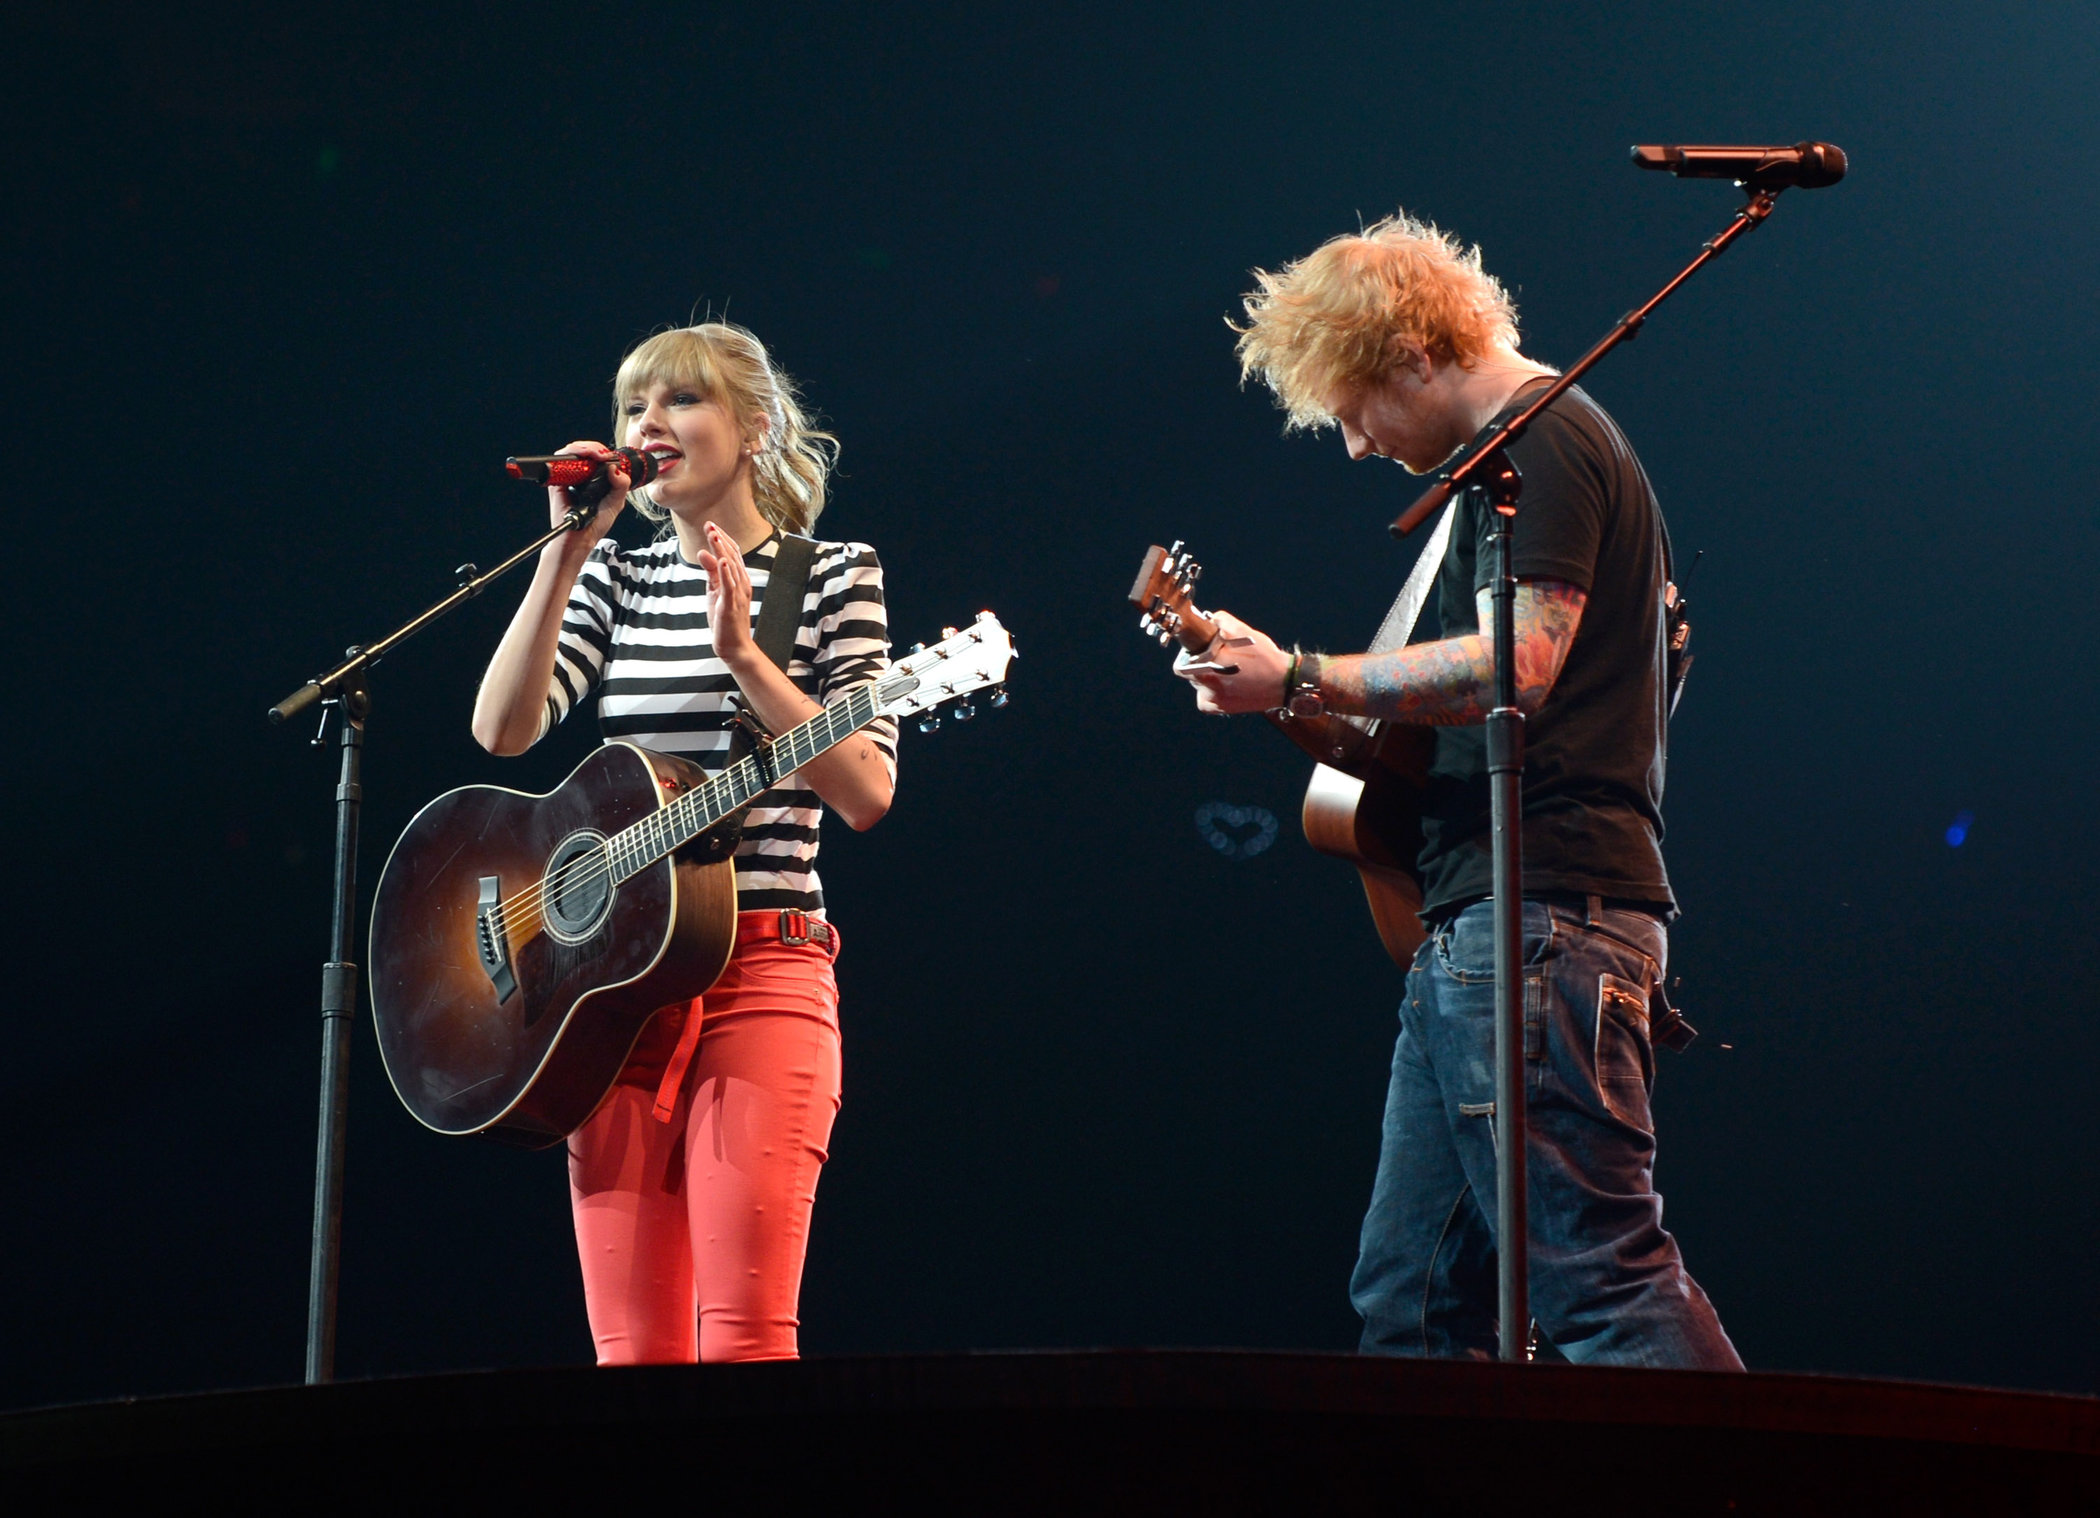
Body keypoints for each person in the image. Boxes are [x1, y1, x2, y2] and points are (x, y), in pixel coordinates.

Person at [1181, 214, 1740, 1368]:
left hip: (1543, 924)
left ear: (1417, 355)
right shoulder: (1506, 473)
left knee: (1597, 1279)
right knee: (1413, 1303)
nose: (1352, 444)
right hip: (1489, 930)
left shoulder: (1545, 446)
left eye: (1352, 406)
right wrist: (1287, 694)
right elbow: (1456, 720)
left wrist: (1299, 670)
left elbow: (1517, 666)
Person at [471, 321, 896, 1363]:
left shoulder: (830, 573)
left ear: (753, 430)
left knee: (744, 1344)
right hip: (616, 993)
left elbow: (868, 791)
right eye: (632, 406)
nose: (648, 425)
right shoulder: (615, 581)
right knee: (632, 1359)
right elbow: (504, 729)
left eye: (680, 401)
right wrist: (566, 554)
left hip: (763, 970)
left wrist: (746, 655)